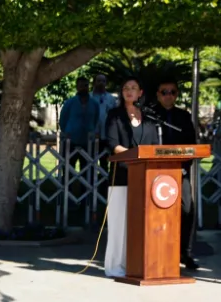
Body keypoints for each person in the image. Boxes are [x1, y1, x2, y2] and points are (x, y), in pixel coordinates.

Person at [103, 78, 157, 278]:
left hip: (145, 178)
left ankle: (137, 265)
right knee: (119, 225)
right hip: (122, 176)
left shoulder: (150, 118)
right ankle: (115, 266)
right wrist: (136, 157)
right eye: (125, 88)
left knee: (140, 225)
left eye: (133, 88)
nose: (129, 91)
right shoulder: (114, 116)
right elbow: (113, 144)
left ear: (140, 92)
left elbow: (154, 147)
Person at [153, 81, 199, 270]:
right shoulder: (151, 115)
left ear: (177, 95)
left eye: (172, 92)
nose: (168, 95)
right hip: (155, 173)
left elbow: (192, 145)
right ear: (158, 94)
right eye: (164, 92)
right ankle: (160, 251)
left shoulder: (183, 116)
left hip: (180, 171)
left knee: (187, 209)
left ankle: (185, 253)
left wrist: (182, 165)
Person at [59, 77, 100, 172]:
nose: (83, 88)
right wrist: (67, 132)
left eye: (86, 85)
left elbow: (96, 119)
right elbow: (62, 120)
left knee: (87, 170)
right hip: (70, 141)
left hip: (88, 142)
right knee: (68, 170)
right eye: (81, 86)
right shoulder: (69, 103)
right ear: (77, 87)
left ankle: (85, 187)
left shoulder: (94, 104)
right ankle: (67, 187)